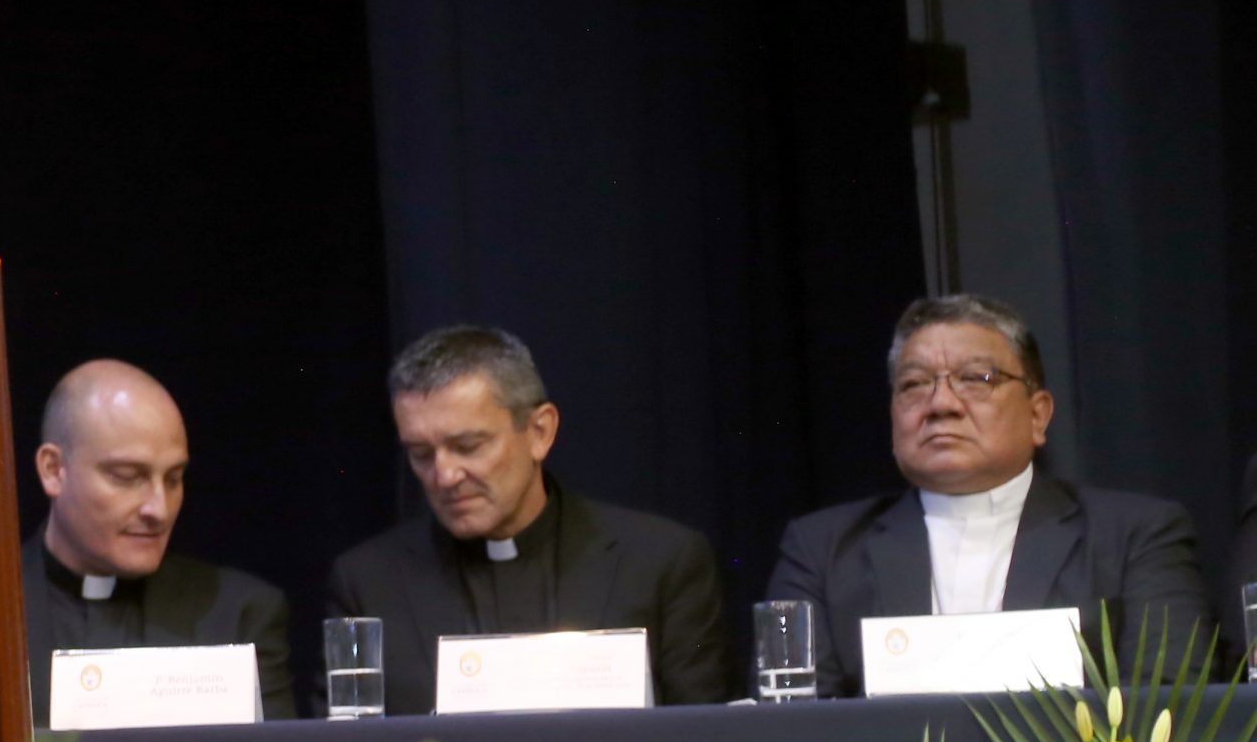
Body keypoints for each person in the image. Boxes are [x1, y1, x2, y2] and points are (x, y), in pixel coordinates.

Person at [767, 294, 1211, 697]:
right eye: (914, 384)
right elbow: (792, 724)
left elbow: (1169, 706)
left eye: (976, 378)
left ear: (1038, 415)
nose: (942, 404)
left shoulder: (1136, 536)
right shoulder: (822, 551)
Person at [326, 326, 729, 714]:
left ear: (540, 432)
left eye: (468, 446)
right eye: (420, 454)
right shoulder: (368, 583)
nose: (444, 475)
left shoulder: (659, 561)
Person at [21, 360, 295, 723]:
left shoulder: (238, 614)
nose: (159, 509)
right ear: (54, 470)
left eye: (172, 479)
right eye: (127, 477)